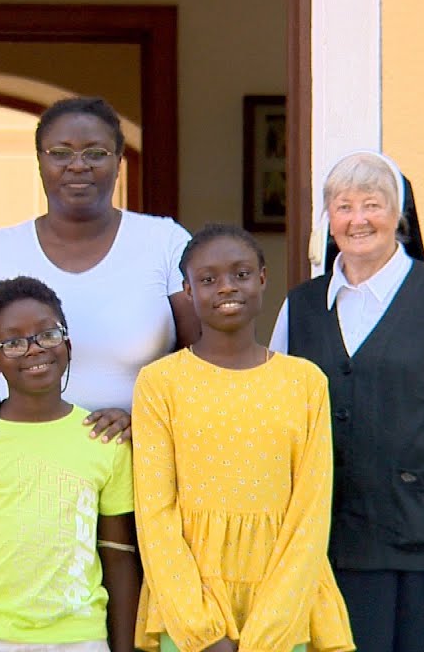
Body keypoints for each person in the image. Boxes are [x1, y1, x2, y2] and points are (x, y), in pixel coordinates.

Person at [270, 151, 424, 652]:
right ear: (328, 219)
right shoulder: (300, 306)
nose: (358, 219)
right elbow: (275, 418)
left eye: (372, 205)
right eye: (343, 206)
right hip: (328, 545)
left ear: (398, 216)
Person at [131, 224, 354, 652]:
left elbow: (311, 512)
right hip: (190, 605)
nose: (226, 287)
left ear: (263, 279)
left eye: (241, 274)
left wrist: (271, 628)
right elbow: (155, 513)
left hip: (286, 607)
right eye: (208, 279)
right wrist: (200, 629)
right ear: (187, 291)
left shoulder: (305, 382)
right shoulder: (161, 383)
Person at [0, 96, 201, 437]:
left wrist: (147, 423)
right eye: (60, 153)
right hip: (21, 456)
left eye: (95, 153)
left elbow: (207, 363)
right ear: (40, 162)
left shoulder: (166, 243)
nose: (78, 165)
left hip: (138, 456)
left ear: (118, 161)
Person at [0, 276, 139, 652]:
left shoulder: (102, 439)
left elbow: (118, 559)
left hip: (80, 639)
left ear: (67, 345)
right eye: (13, 342)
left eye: (47, 335)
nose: (34, 348)